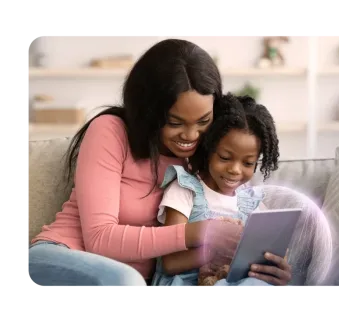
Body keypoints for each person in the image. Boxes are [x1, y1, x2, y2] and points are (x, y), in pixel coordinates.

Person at [27, 38, 292, 288]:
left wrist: (262, 268)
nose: (190, 136)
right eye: (175, 122)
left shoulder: (208, 160)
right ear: (149, 111)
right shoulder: (110, 130)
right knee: (127, 282)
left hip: (138, 284)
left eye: (203, 121)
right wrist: (200, 233)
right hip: (61, 257)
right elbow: (100, 240)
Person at [151, 93, 293, 288]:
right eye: (225, 158)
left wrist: (277, 271)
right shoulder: (186, 190)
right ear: (209, 149)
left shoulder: (252, 202)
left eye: (248, 163)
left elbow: (265, 256)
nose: (235, 169)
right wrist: (216, 249)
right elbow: (170, 262)